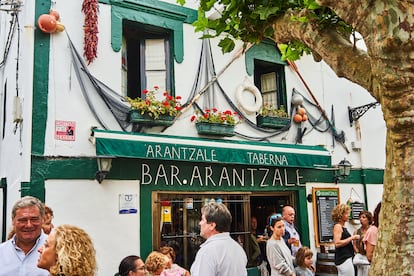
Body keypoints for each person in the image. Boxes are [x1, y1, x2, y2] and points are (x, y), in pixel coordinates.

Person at [190, 202, 247, 276]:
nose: (200, 223)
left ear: (212, 225)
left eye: (202, 220)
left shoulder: (207, 252)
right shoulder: (238, 249)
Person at [0, 196, 49, 276]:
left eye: (34, 219)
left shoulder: (56, 251)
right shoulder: (1, 252)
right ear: (13, 221)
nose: (28, 225)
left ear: (42, 220)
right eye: (22, 220)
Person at [331, 204, 360, 276]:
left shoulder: (342, 227)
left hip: (345, 258)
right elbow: (337, 243)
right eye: (346, 213)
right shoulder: (338, 226)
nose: (348, 215)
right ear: (340, 215)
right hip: (344, 259)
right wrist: (352, 238)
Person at [352, 211, 372, 276]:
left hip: (369, 256)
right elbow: (354, 244)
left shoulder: (372, 230)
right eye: (360, 217)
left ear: (368, 219)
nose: (361, 219)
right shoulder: (356, 231)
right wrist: (358, 252)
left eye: (363, 217)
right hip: (360, 256)